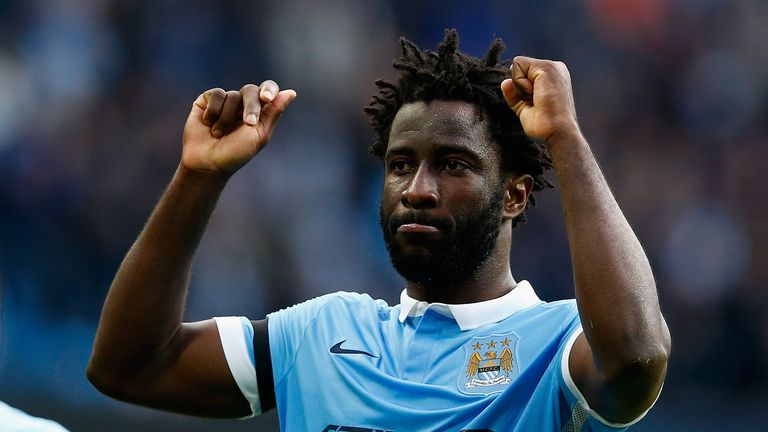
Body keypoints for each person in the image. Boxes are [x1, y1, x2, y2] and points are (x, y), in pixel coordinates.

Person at [87, 30, 670, 431]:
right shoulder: (318, 335)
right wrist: (197, 176)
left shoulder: (560, 344)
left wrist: (563, 137)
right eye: (400, 164)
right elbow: (130, 365)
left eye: (454, 164)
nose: (417, 187)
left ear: (514, 195)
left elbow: (636, 358)